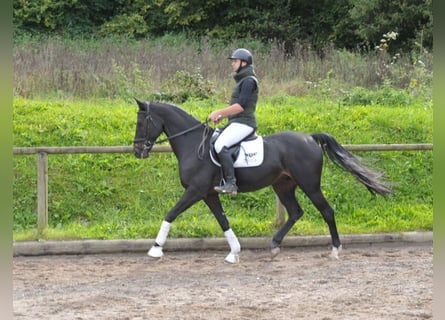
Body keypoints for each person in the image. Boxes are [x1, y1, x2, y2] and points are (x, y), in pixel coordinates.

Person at [208, 48, 259, 195]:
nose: (232, 64)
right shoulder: (243, 80)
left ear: (244, 63)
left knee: (220, 145)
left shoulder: (249, 81)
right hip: (237, 122)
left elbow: (241, 106)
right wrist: (223, 117)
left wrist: (219, 112)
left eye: (235, 61)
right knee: (215, 140)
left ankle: (231, 183)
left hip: (245, 123)